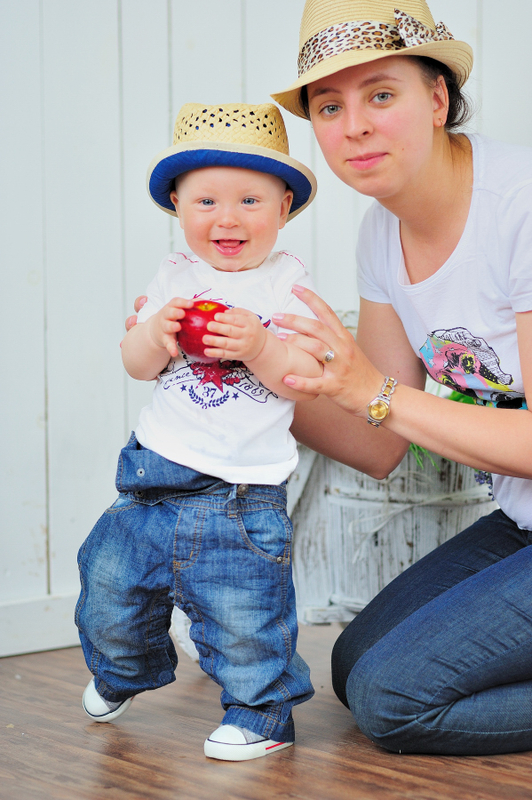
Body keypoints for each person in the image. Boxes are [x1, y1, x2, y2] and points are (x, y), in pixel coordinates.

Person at [265, 0, 532, 756]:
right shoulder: (381, 231)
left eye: (381, 94)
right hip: (523, 520)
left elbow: (381, 398)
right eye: (329, 106)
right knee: (353, 666)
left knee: (394, 699)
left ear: (438, 98)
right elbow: (379, 441)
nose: (354, 126)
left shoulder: (519, 206)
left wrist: (373, 392)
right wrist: (253, 367)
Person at [75, 101, 322, 762]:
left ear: (284, 207)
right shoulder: (174, 276)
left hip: (241, 497)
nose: (227, 218)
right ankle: (122, 670)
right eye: (206, 201)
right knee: (109, 588)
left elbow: (304, 377)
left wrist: (261, 348)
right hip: (150, 481)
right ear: (178, 207)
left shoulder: (288, 285)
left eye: (250, 200)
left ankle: (261, 714)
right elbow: (136, 365)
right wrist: (152, 333)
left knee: (246, 617)